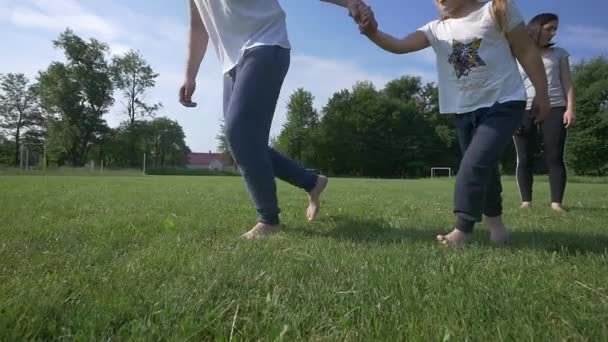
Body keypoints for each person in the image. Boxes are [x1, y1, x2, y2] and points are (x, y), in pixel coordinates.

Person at [356, 0, 550, 246]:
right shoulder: (436, 29)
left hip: (504, 101)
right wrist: (373, 32)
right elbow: (399, 45)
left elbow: (526, 51)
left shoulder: (497, 9)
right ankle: (496, 225)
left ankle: (463, 229)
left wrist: (542, 93)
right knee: (485, 169)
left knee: (473, 164)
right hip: (463, 110)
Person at [179, 0, 374, 239]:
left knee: (240, 135)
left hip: (265, 42)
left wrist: (350, 3)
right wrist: (190, 75)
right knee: (245, 147)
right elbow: (199, 27)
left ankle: (268, 221)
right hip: (231, 63)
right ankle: (311, 182)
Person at [513, 13, 576, 212]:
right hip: (524, 108)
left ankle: (556, 204)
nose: (553, 33)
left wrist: (570, 108)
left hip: (555, 107)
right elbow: (510, 84)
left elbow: (567, 82)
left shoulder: (559, 53)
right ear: (536, 28)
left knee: (554, 156)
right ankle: (526, 202)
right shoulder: (518, 52)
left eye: (555, 29)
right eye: (549, 28)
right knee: (524, 158)